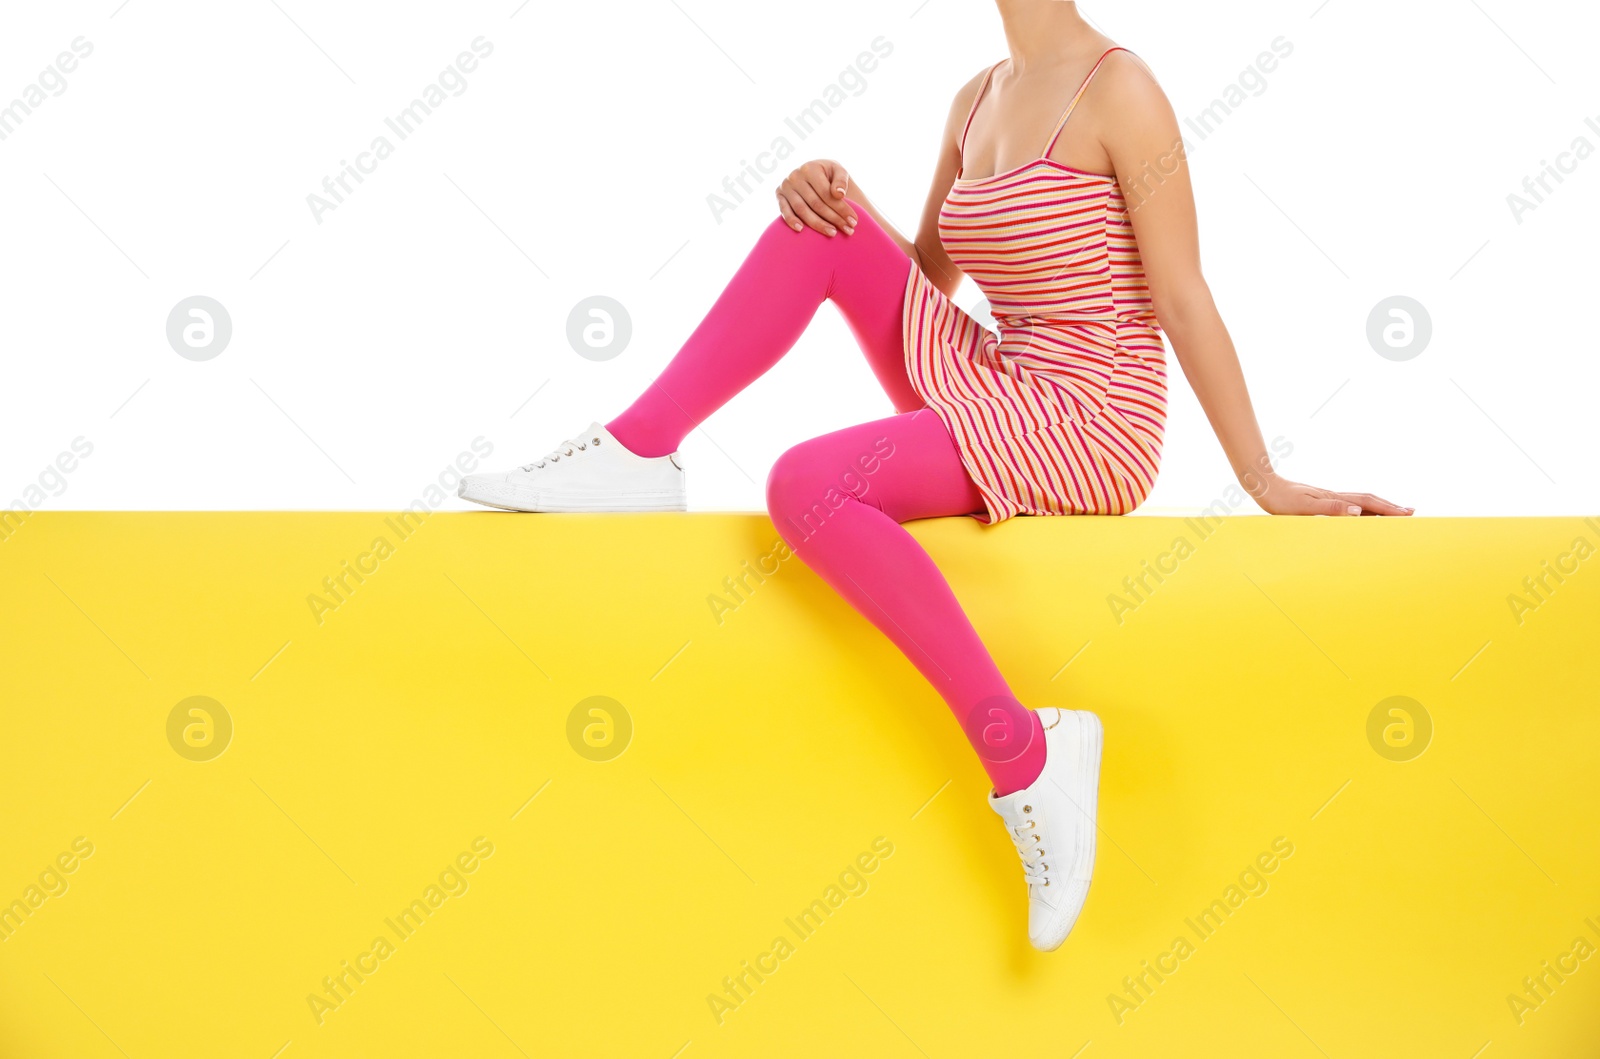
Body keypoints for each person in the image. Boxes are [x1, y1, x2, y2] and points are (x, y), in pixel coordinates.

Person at [459, 1, 1411, 951]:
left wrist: (1263, 476)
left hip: (1091, 409)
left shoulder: (1122, 89)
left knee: (807, 483)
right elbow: (924, 274)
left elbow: (1181, 294)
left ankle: (1029, 759)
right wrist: (839, 198)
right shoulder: (974, 100)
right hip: (997, 372)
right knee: (815, 233)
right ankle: (637, 450)